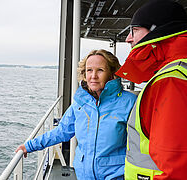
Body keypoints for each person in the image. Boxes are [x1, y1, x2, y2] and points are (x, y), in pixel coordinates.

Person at [16, 49, 137, 179]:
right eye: (89, 70)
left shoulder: (129, 102)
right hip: (84, 175)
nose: (93, 76)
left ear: (112, 74)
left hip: (116, 175)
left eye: (100, 70)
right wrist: (29, 146)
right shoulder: (80, 103)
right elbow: (61, 131)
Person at [115, 0, 187, 179]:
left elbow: (175, 168)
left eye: (135, 30)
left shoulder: (170, 80)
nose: (128, 38)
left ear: (157, 31)